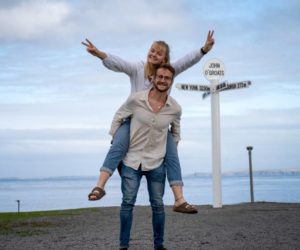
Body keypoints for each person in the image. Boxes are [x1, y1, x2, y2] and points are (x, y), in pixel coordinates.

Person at [82, 31, 214, 213]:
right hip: (133, 121)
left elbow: (187, 61)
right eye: (152, 51)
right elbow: (118, 63)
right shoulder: (138, 68)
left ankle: (179, 200)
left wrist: (204, 49)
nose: (153, 55)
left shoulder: (168, 73)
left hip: (158, 124)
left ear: (165, 58)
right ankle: (100, 186)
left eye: (158, 53)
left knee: (172, 155)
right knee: (117, 145)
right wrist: (99, 54)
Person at [113, 64, 179, 250]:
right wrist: (115, 141)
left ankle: (159, 246)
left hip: (157, 163)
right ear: (153, 78)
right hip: (131, 160)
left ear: (171, 81)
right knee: (127, 203)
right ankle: (123, 246)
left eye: (167, 78)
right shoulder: (135, 100)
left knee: (158, 205)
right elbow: (118, 117)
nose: (163, 80)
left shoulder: (175, 108)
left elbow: (176, 130)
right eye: (160, 77)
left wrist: (172, 147)